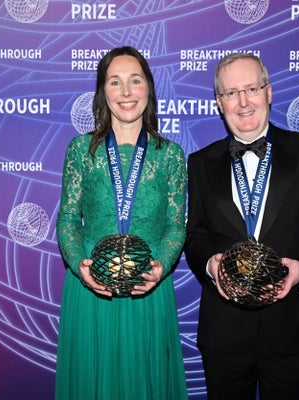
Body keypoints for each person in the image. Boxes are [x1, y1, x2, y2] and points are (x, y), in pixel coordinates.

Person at [184, 53, 299, 399]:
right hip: (224, 331)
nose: (243, 102)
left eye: (251, 89)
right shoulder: (200, 163)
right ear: (219, 102)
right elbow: (195, 234)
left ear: (269, 92)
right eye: (231, 93)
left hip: (291, 328)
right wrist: (210, 265)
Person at [55, 46, 188, 400]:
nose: (126, 93)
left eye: (135, 81)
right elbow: (68, 219)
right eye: (115, 82)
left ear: (149, 89)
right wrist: (77, 263)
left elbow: (176, 226)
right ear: (103, 93)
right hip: (91, 287)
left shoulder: (171, 155)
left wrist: (161, 267)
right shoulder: (80, 150)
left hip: (149, 286)